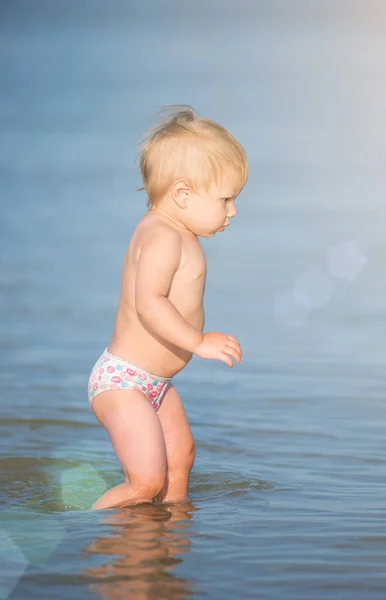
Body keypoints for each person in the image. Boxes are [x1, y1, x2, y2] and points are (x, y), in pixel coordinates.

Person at [87, 106, 247, 510]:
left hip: (155, 384)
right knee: (145, 481)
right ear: (182, 194)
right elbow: (149, 302)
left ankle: (170, 536)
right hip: (124, 382)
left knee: (180, 461)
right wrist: (198, 342)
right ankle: (83, 534)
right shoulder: (161, 235)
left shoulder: (180, 231)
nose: (233, 211)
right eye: (226, 199)